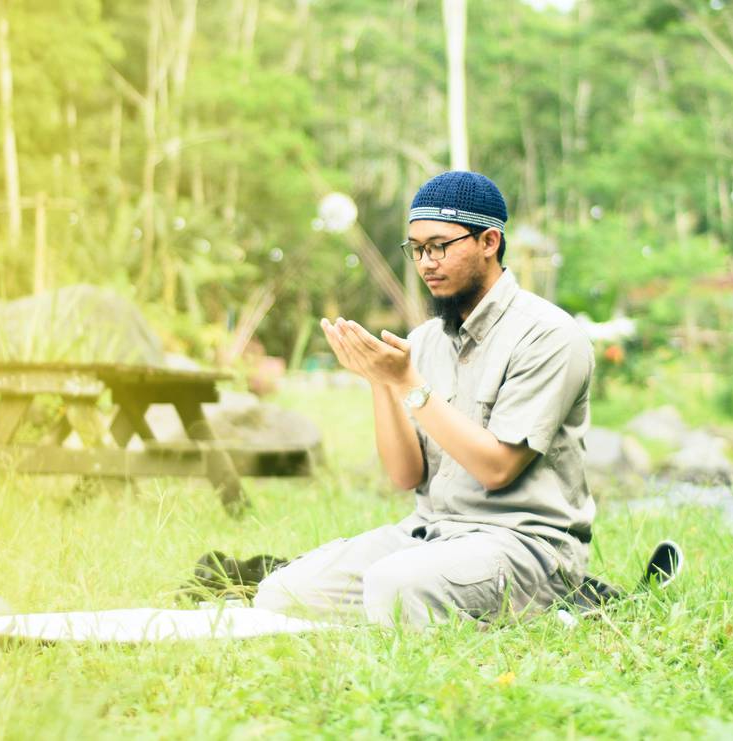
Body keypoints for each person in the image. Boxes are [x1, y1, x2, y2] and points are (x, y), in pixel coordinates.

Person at [253, 171, 594, 627]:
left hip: (525, 546)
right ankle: (431, 610)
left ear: (489, 242)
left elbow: (497, 468)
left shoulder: (548, 336)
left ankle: (565, 604)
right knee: (282, 592)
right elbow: (405, 474)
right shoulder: (426, 341)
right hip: (433, 535)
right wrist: (381, 382)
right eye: (415, 249)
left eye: (439, 246)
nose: (425, 262)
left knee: (393, 586)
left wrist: (410, 383)